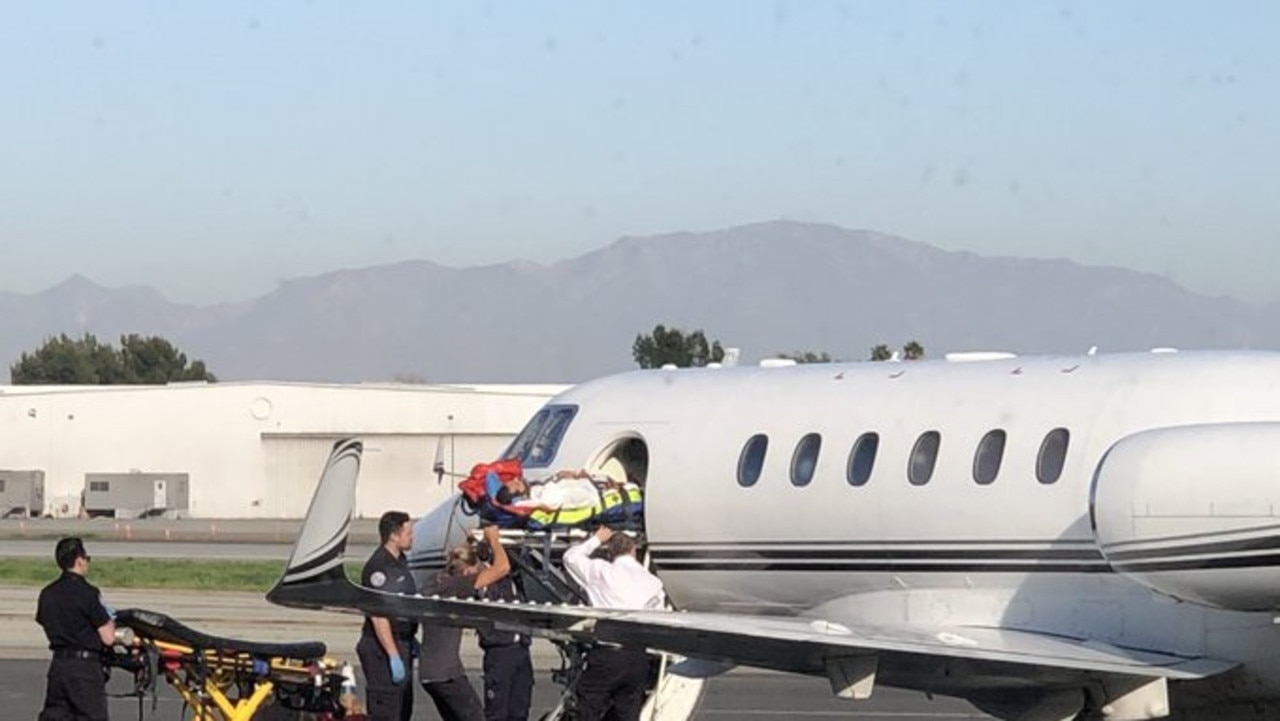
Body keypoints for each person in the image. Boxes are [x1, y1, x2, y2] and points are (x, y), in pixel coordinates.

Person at [562, 527, 666, 721]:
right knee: (628, 710)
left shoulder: (603, 571)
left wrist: (596, 539)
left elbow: (570, 557)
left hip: (609, 652)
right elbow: (659, 618)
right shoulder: (652, 582)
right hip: (638, 656)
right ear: (633, 549)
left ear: (609, 552)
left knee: (588, 704)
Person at [420, 525, 511, 721]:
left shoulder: (436, 581)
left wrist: (473, 542)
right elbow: (502, 568)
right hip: (446, 673)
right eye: (476, 570)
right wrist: (494, 540)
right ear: (468, 571)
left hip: (429, 673)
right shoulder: (457, 585)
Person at [35, 537, 115, 721]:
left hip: (58, 667)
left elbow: (44, 622)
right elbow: (108, 638)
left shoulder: (47, 593)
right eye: (87, 558)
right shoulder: (88, 593)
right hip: (84, 670)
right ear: (79, 560)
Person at [357, 511, 418, 721]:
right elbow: (378, 615)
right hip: (381, 648)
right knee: (387, 710)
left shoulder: (401, 562)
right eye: (408, 532)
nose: (412, 537)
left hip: (402, 642)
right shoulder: (378, 568)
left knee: (403, 709)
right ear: (393, 535)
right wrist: (393, 655)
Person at [475, 562, 533, 721]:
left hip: (521, 648)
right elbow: (502, 567)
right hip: (500, 650)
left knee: (520, 710)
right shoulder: (486, 573)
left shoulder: (515, 578)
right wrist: (495, 542)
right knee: (498, 711)